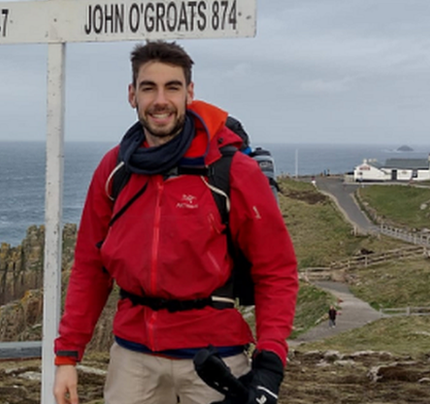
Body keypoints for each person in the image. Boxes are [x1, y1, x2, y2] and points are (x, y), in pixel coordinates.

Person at [53, 41, 299, 404]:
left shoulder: (230, 170)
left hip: (215, 359)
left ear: (190, 93)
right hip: (132, 359)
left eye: (173, 87)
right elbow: (91, 266)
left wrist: (270, 360)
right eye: (148, 88)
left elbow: (276, 269)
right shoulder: (115, 169)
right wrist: (67, 356)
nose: (160, 100)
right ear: (132, 94)